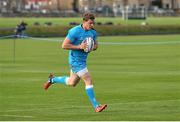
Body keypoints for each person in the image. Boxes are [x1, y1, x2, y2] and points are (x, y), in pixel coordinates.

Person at [43, 13, 107, 112]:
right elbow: (64, 45)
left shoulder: (93, 32)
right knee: (88, 79)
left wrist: (91, 47)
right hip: (75, 61)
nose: (92, 25)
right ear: (84, 21)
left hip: (82, 61)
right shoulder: (74, 31)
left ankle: (52, 80)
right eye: (90, 23)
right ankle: (96, 106)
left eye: (93, 23)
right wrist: (79, 47)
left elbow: (96, 46)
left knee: (72, 83)